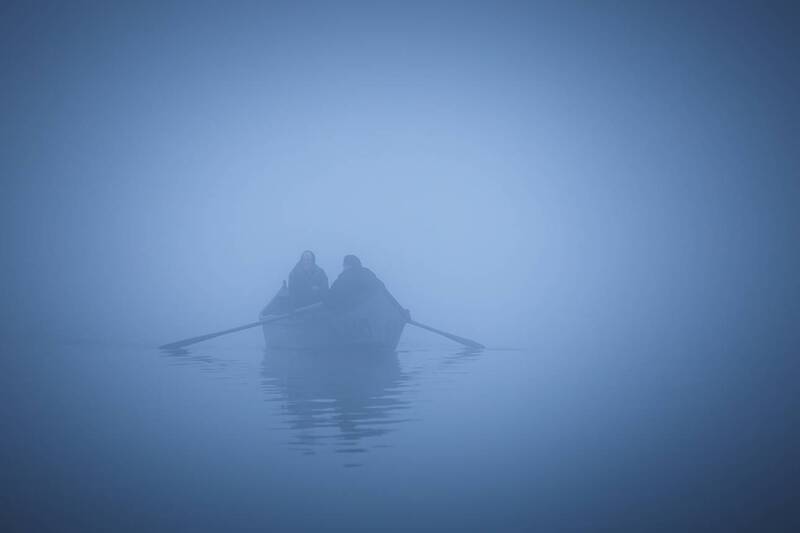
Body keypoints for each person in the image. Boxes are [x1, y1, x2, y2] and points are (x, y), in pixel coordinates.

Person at [326, 255, 408, 319]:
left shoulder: (344, 277)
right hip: (371, 318)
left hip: (349, 320)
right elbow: (385, 293)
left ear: (347, 265)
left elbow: (330, 297)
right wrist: (402, 312)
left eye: (344, 265)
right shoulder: (369, 275)